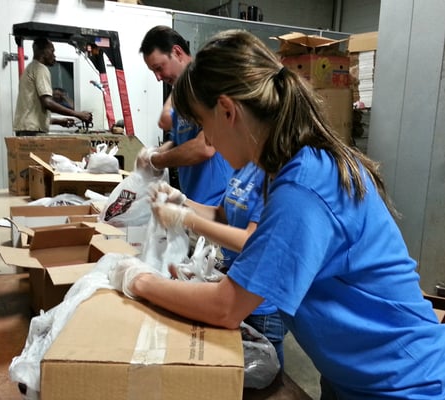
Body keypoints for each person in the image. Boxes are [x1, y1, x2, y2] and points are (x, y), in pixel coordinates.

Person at [111, 30, 445, 399]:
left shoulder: (304, 185)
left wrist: (135, 280)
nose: (210, 142)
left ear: (227, 111)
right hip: (353, 377)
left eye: (205, 126)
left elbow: (226, 308)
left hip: (402, 385)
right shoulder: (290, 166)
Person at [152, 162, 288, 370]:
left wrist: (186, 220)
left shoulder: (272, 174)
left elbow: (252, 241)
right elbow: (221, 215)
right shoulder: (244, 167)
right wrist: (182, 202)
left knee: (263, 374)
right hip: (232, 284)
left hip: (260, 304)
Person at [138, 25, 233, 206]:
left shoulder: (208, 88)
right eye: (153, 72)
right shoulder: (180, 95)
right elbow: (178, 140)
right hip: (193, 202)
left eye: (159, 68)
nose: (158, 77)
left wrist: (156, 160)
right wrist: (152, 154)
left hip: (216, 204)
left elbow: (204, 147)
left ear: (177, 52)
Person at [13, 37, 92, 136]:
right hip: (32, 132)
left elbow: (33, 111)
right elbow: (47, 102)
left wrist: (59, 121)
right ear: (43, 52)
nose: (54, 55)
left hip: (25, 129)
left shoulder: (30, 68)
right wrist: (78, 114)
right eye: (52, 51)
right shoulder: (40, 69)